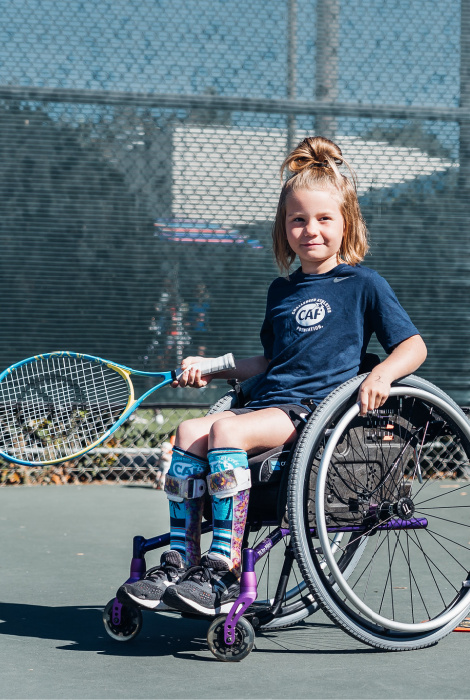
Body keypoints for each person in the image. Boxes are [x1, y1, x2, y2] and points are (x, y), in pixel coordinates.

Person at [118, 136, 427, 616]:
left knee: (224, 429)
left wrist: (382, 375)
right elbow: (269, 363)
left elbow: (413, 346)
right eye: (298, 220)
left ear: (347, 223)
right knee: (188, 430)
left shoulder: (364, 285)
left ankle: (224, 562)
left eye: (324, 218)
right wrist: (213, 367)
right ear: (284, 230)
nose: (311, 230)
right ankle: (183, 556)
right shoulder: (281, 291)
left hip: (316, 413)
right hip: (269, 403)